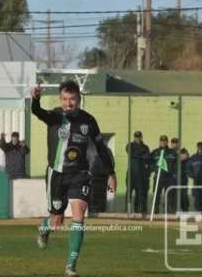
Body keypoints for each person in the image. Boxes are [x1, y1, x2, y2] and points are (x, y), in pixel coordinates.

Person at [31, 80, 116, 277]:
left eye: (72, 99)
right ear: (60, 99)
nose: (69, 103)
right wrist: (35, 99)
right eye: (65, 99)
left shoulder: (89, 121)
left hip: (80, 174)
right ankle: (45, 227)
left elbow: (101, 148)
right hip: (57, 175)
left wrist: (111, 173)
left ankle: (71, 266)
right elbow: (37, 111)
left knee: (79, 213)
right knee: (57, 220)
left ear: (79, 98)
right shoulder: (54, 117)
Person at [149, 135, 177, 214]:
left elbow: (176, 164)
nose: (163, 142)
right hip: (159, 176)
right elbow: (150, 163)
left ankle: (168, 210)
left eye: (165, 141)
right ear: (159, 142)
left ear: (167, 142)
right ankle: (155, 210)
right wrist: (154, 169)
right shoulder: (155, 152)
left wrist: (174, 173)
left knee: (169, 194)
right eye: (162, 141)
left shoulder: (172, 152)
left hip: (169, 177)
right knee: (156, 194)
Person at [125, 131, 150, 214]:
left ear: (141, 137)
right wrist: (141, 154)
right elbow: (131, 153)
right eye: (136, 137)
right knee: (128, 192)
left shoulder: (145, 147)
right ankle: (127, 210)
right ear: (134, 137)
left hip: (140, 174)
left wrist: (138, 154)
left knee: (139, 193)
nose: (137, 138)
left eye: (139, 137)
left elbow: (147, 157)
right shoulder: (130, 145)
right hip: (131, 173)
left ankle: (137, 211)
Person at [177, 148, 191, 212]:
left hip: (183, 181)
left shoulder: (188, 161)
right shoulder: (177, 162)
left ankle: (185, 210)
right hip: (175, 181)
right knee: (176, 197)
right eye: (181, 155)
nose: (182, 156)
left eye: (184, 155)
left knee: (184, 196)